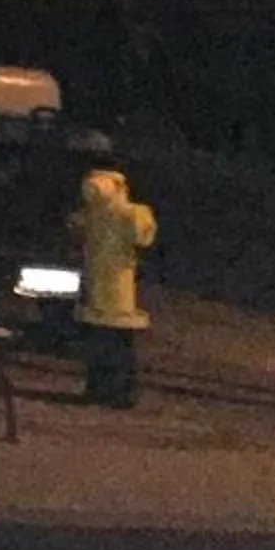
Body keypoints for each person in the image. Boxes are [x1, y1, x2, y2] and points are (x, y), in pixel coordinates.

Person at [72, 167, 157, 407]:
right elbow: (144, 238)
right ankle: (116, 392)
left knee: (103, 344)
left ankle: (103, 390)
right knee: (116, 345)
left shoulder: (94, 215)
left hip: (101, 291)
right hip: (115, 294)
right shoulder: (128, 214)